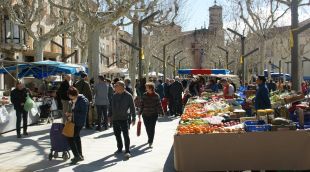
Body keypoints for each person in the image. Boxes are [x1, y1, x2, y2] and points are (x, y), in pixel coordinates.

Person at [109, 81, 136, 159]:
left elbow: (132, 108)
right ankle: (120, 148)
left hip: (124, 118)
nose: (114, 87)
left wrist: (134, 118)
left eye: (116, 86)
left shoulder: (128, 96)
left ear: (121, 87)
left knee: (126, 135)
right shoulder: (114, 95)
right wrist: (109, 116)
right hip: (115, 118)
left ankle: (127, 151)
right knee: (117, 134)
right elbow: (111, 106)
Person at [66, 87, 89, 165]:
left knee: (70, 138)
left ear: (74, 95)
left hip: (79, 122)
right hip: (74, 121)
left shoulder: (82, 101)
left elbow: (83, 113)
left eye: (70, 95)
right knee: (76, 138)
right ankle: (80, 155)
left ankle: (77, 156)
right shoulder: (74, 100)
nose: (69, 97)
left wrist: (71, 114)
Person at [139, 82, 164, 148]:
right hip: (145, 114)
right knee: (147, 128)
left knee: (152, 128)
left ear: (151, 88)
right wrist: (140, 112)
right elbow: (142, 104)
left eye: (147, 87)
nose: (146, 88)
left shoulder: (156, 95)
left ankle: (150, 141)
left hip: (153, 114)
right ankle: (149, 138)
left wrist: (161, 112)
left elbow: (159, 104)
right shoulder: (144, 95)